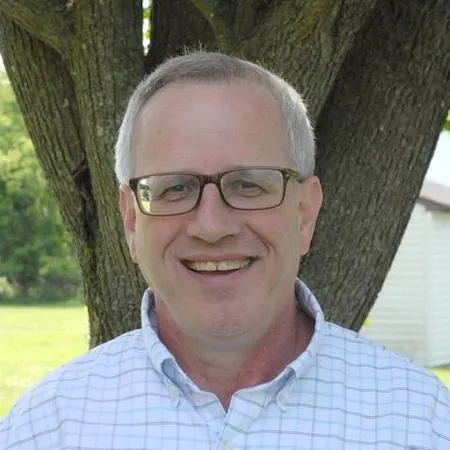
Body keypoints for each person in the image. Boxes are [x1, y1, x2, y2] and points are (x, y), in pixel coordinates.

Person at [1, 51, 449, 449]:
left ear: (305, 213)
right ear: (132, 221)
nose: (211, 226)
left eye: (249, 184)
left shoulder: (423, 425)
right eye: (174, 188)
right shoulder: (46, 429)